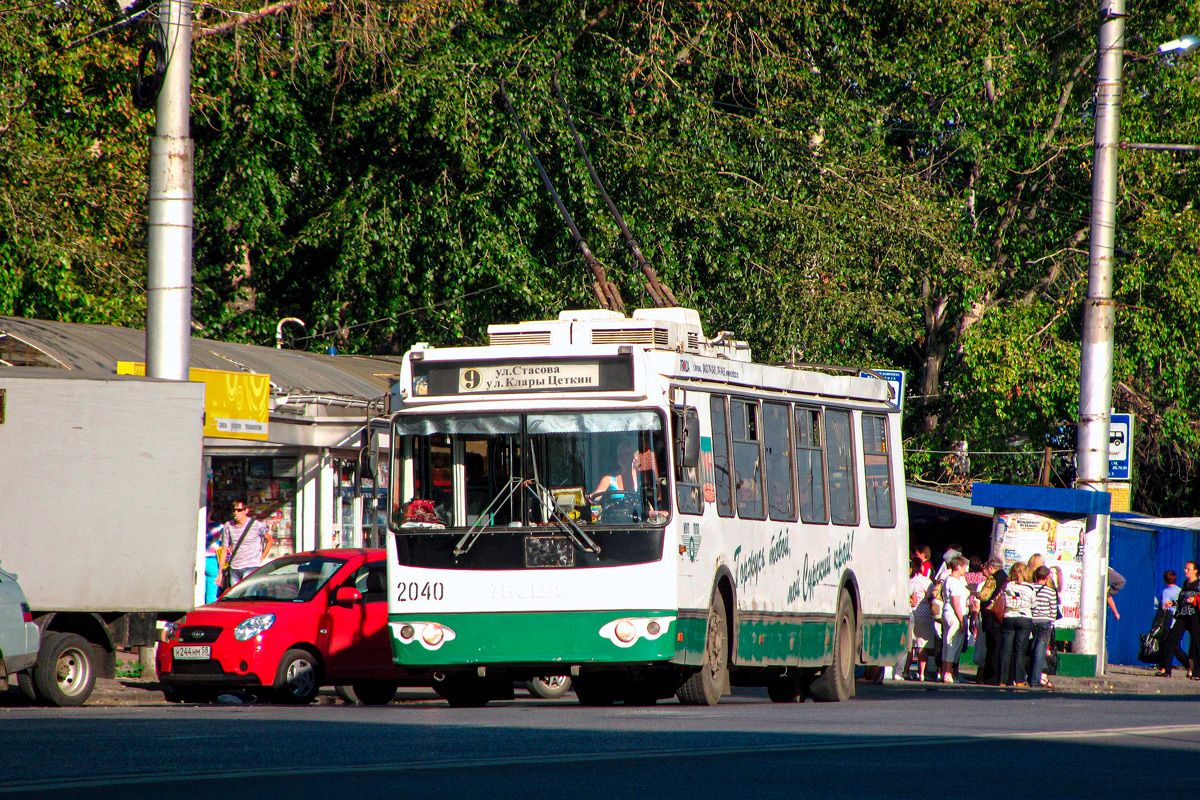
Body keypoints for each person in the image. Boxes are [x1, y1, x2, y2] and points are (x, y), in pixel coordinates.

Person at [1159, 561, 1200, 678]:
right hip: (1182, 615)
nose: (1185, 571)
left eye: (1188, 569)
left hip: (1194, 616)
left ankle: (1197, 672)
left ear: (1195, 571)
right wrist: (1173, 603)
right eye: (1185, 568)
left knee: (1196, 643)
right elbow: (1182, 599)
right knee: (1171, 639)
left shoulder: (1198, 584)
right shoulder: (1185, 583)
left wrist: (1195, 600)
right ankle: (1166, 670)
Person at [219, 501, 275, 587]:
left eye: (239, 510)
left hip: (251, 566)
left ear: (246, 511)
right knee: (235, 597)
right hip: (235, 567)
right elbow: (224, 549)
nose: (236, 513)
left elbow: (269, 540)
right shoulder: (228, 526)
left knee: (247, 594)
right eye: (234, 510)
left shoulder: (256, 525)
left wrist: (261, 558)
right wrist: (220, 573)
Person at [998, 562, 1036, 687]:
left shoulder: (1007, 585)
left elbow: (1002, 599)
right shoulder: (1030, 587)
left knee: (1005, 650)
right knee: (1020, 650)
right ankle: (1019, 680)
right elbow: (1033, 604)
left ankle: (1002, 680)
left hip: (1009, 617)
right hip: (1024, 618)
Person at [976, 556, 1008, 685]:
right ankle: (1001, 677)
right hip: (1002, 616)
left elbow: (985, 596)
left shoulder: (992, 579)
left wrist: (975, 593)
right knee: (1001, 647)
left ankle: (990, 678)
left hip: (991, 617)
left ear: (991, 568)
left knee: (992, 648)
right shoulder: (1006, 578)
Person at [939, 555, 970, 683]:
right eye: (964, 567)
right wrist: (962, 620)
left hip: (947, 612)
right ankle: (947, 673)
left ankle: (945, 671)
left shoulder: (948, 580)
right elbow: (956, 602)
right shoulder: (955, 582)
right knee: (953, 643)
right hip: (955, 614)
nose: (966, 570)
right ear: (958, 566)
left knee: (947, 643)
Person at [907, 555, 939, 681]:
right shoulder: (928, 582)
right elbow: (932, 597)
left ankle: (905, 670)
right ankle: (922, 673)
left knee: (910, 645)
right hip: (926, 615)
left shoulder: (909, 581)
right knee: (922, 646)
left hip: (912, 613)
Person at [1028, 565, 1059, 689]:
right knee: (1040, 651)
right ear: (1047, 577)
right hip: (1045, 622)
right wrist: (1050, 620)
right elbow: (1053, 611)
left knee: (1030, 648)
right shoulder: (1050, 591)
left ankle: (1027, 676)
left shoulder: (1030, 588)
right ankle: (1035, 680)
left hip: (1031, 621)